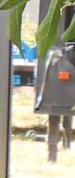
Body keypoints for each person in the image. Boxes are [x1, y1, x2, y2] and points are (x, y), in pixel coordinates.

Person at [34, 29, 75, 161]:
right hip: (59, 90)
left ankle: (63, 146)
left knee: (62, 116)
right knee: (59, 116)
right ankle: (55, 151)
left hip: (59, 90)